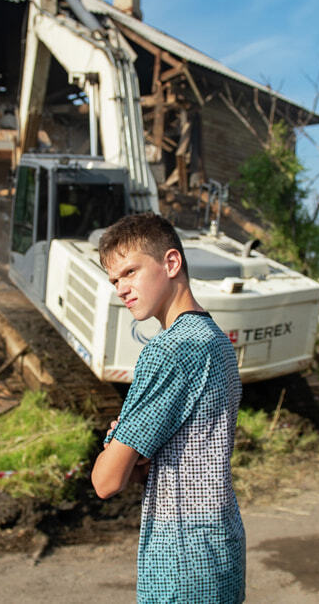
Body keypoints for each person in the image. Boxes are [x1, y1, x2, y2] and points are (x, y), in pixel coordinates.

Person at [91, 212, 245, 603]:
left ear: (171, 263)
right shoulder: (216, 341)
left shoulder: (170, 349)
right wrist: (139, 452)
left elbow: (106, 482)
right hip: (220, 549)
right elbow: (189, 454)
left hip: (181, 562)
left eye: (130, 272)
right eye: (114, 280)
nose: (121, 289)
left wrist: (115, 447)